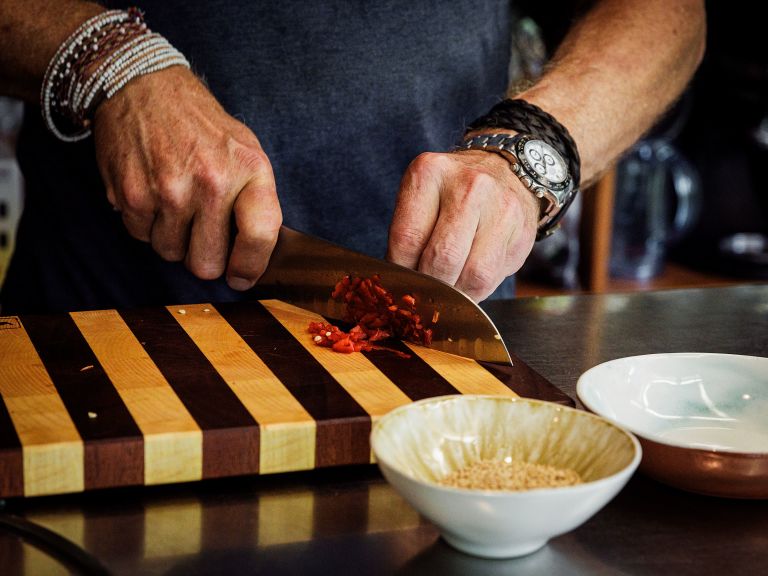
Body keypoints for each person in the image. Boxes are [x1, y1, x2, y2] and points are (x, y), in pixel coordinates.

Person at [0, 1, 706, 314]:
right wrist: (113, 60)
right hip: (106, 332)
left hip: (443, 333)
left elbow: (670, 13)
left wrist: (534, 150)